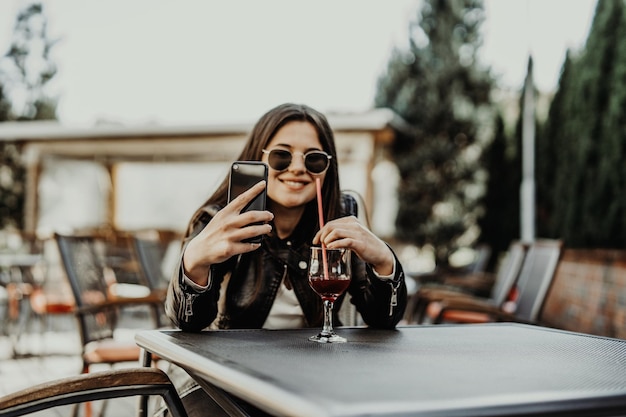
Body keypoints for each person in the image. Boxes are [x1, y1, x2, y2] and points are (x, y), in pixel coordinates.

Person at [162, 103, 407, 415]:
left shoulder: (341, 214)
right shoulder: (219, 220)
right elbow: (186, 323)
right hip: (226, 377)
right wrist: (194, 261)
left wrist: (383, 259)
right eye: (282, 155)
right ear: (259, 157)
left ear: (327, 167)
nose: (297, 168)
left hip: (315, 375)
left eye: (313, 159)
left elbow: (383, 319)